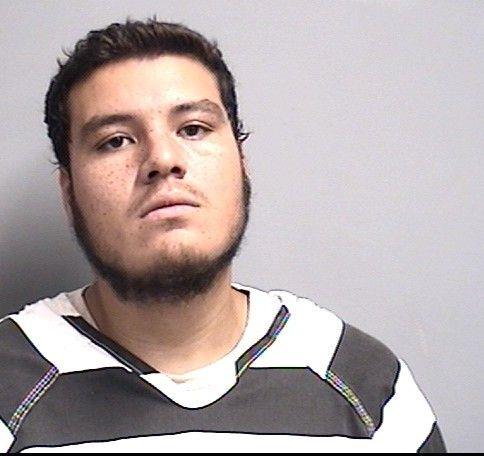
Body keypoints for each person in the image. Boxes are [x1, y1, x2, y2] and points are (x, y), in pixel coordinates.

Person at [0, 18, 446, 452]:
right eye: (115, 140)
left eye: (193, 129)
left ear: (241, 162)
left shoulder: (367, 391)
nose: (163, 159)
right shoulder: (9, 389)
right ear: (69, 191)